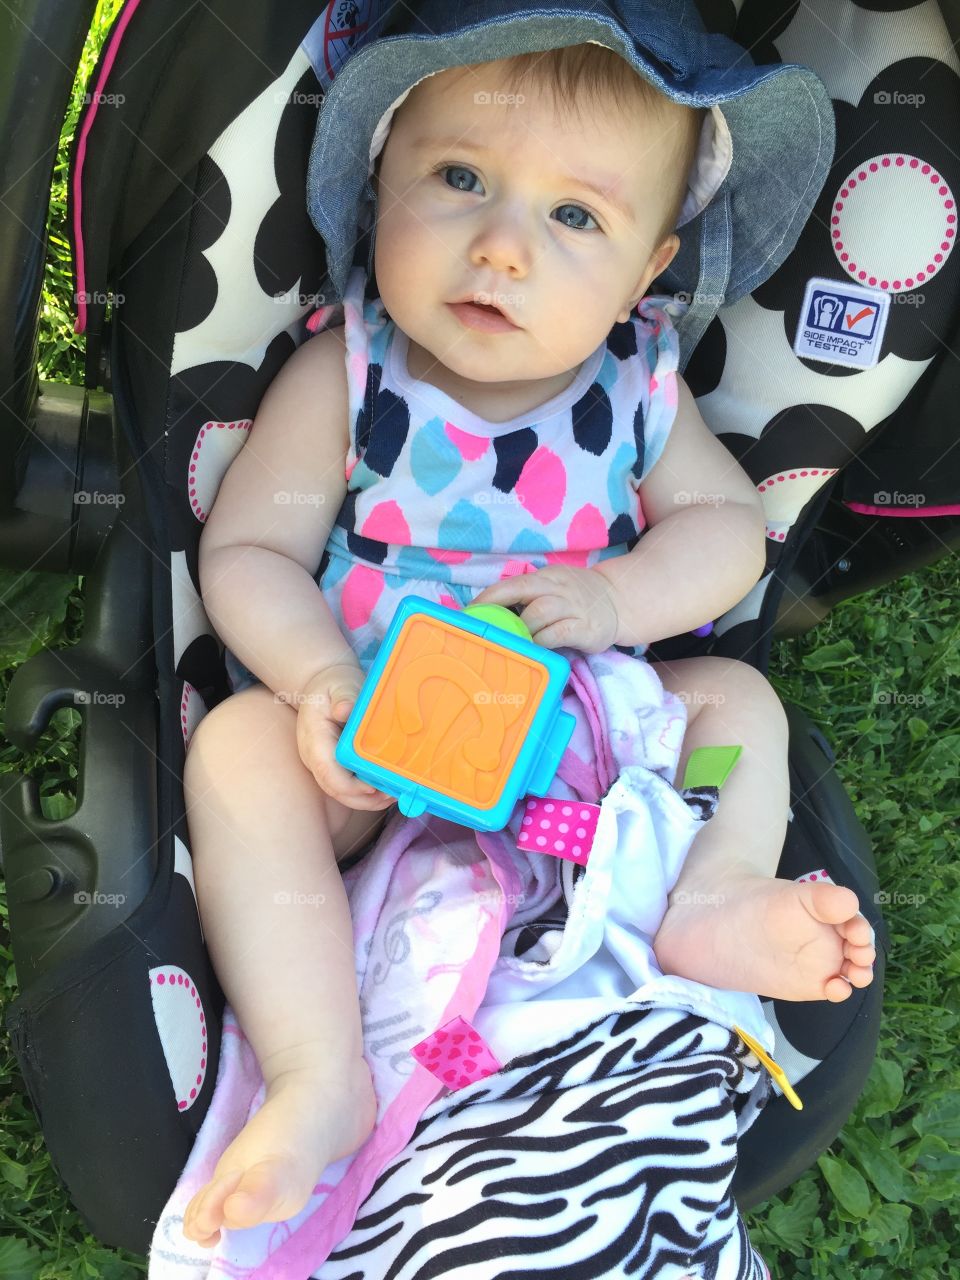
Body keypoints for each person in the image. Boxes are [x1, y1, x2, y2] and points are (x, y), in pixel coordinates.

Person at [180, 32, 876, 1250]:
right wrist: (317, 679)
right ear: (381, 177)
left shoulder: (641, 386)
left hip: (583, 746)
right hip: (371, 758)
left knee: (733, 709)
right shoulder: (350, 374)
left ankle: (706, 895)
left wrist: (614, 600)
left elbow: (726, 530)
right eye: (458, 180)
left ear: (645, 272)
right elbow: (248, 554)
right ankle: (317, 1066)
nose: (503, 246)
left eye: (573, 216)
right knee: (242, 750)